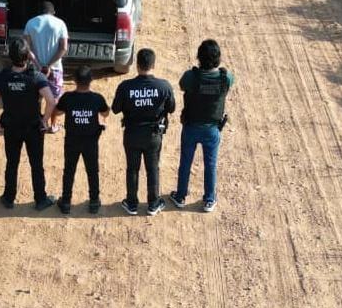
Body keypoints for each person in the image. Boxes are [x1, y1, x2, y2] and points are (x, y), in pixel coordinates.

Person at [0, 38, 58, 211]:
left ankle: (8, 197)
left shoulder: (2, 76)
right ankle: (40, 199)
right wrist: (44, 121)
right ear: (28, 56)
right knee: (36, 164)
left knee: (12, 162)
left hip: (11, 127)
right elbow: (51, 101)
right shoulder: (36, 77)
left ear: (10, 56)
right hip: (33, 128)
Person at [170, 39, 234, 213]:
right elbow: (230, 84)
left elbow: (182, 85)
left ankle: (180, 196)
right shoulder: (225, 77)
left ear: (199, 57)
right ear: (218, 58)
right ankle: (209, 199)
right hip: (212, 129)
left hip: (191, 126)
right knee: (210, 165)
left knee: (185, 162)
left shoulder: (191, 77)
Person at [111, 48, 175, 216]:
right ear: (153, 65)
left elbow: (115, 109)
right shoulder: (164, 86)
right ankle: (153, 203)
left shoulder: (125, 86)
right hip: (153, 135)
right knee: (152, 169)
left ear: (137, 65)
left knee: (132, 169)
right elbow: (172, 108)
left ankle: (131, 203)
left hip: (132, 134)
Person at [51, 66, 110, 215]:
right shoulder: (97, 98)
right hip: (91, 141)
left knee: (69, 171)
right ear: (91, 80)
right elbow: (106, 112)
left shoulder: (67, 98)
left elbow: (57, 111)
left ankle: (65, 202)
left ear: (75, 81)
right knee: (92, 171)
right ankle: (94, 202)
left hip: (72, 141)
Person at [24, 0, 69, 99]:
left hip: (36, 70)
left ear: (40, 12)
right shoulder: (61, 24)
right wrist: (48, 66)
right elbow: (64, 48)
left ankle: (38, 114)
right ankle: (51, 115)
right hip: (55, 70)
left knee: (36, 98)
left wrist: (39, 65)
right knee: (55, 99)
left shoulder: (30, 23)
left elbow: (26, 47)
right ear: (53, 12)